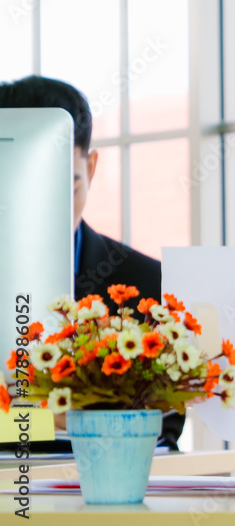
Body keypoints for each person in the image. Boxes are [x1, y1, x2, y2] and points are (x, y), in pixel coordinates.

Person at [0, 75, 184, 451]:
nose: (45, 211)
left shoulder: (147, 285)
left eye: (66, 187)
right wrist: (61, 418)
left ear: (92, 167)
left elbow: (162, 430)